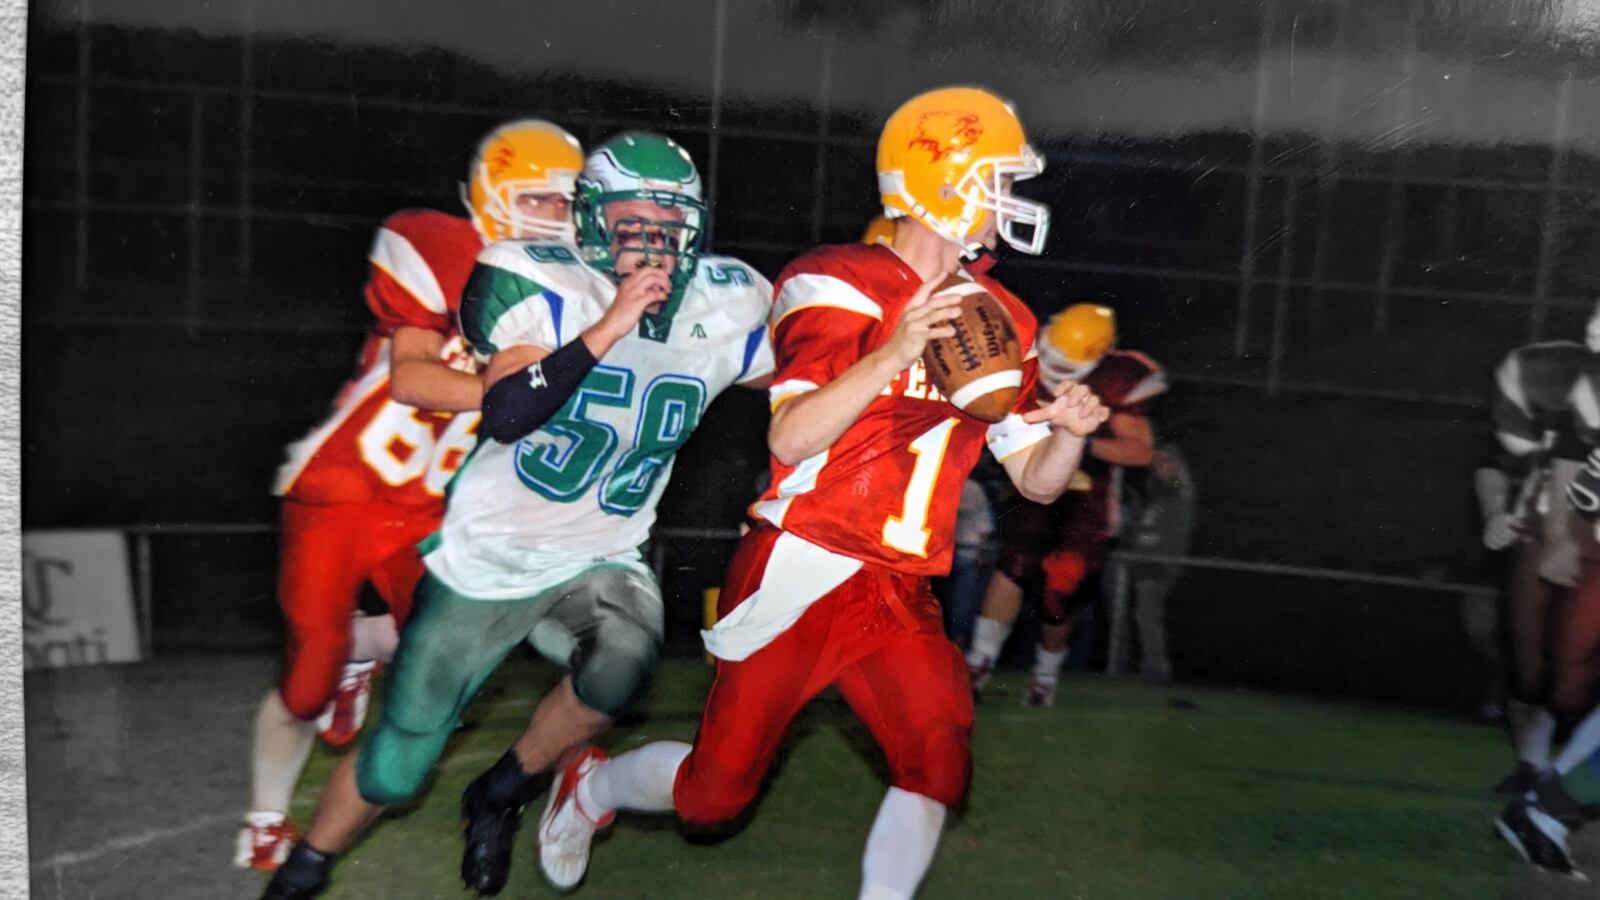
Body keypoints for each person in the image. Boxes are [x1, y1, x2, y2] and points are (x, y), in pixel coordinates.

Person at [534, 85, 1108, 900]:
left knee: (938, 752)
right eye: (997, 177)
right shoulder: (836, 279)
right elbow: (790, 437)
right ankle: (589, 789)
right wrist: (894, 350)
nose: (1009, 200)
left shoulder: (1001, 318)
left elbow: (1034, 481)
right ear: (938, 176)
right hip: (801, 563)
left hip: (898, 584)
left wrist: (1072, 433)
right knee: (713, 795)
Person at [259, 131, 775, 900]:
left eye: (671, 223)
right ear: (590, 219)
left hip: (602, 552)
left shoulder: (730, 300)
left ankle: (502, 793)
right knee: (396, 766)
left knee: (624, 662)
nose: (655, 242)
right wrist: (609, 327)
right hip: (489, 557)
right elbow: (506, 411)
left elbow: (802, 389)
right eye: (635, 220)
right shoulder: (533, 276)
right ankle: (306, 870)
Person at [234, 119, 584, 871]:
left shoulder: (570, 286)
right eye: (537, 200)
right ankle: (265, 816)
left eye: (564, 204)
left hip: (429, 509)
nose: (552, 217)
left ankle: (361, 656)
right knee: (304, 683)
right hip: (343, 491)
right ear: (491, 194)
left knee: (461, 641)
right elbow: (412, 378)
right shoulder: (436, 243)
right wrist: (509, 392)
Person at [965, 304, 1166, 706]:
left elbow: (1140, 451)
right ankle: (978, 666)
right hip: (1032, 482)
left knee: (1061, 590)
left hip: (1086, 498)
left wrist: (1076, 440)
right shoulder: (1029, 349)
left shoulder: (1118, 377)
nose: (1054, 366)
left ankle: (1045, 677)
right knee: (1012, 567)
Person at [1484, 323, 1591, 797]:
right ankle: (1533, 765)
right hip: (1554, 530)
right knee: (1530, 667)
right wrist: (1497, 515)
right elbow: (1498, 461)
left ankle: (1564, 779)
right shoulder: (1546, 373)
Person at [1121, 441, 1194, 683]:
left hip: (1159, 564)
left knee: (1146, 615)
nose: (1159, 467)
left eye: (1165, 461)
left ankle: (1157, 667)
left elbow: (1172, 533)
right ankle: (1148, 665)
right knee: (1143, 615)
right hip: (1143, 562)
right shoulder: (1158, 492)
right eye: (1157, 462)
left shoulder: (1179, 493)